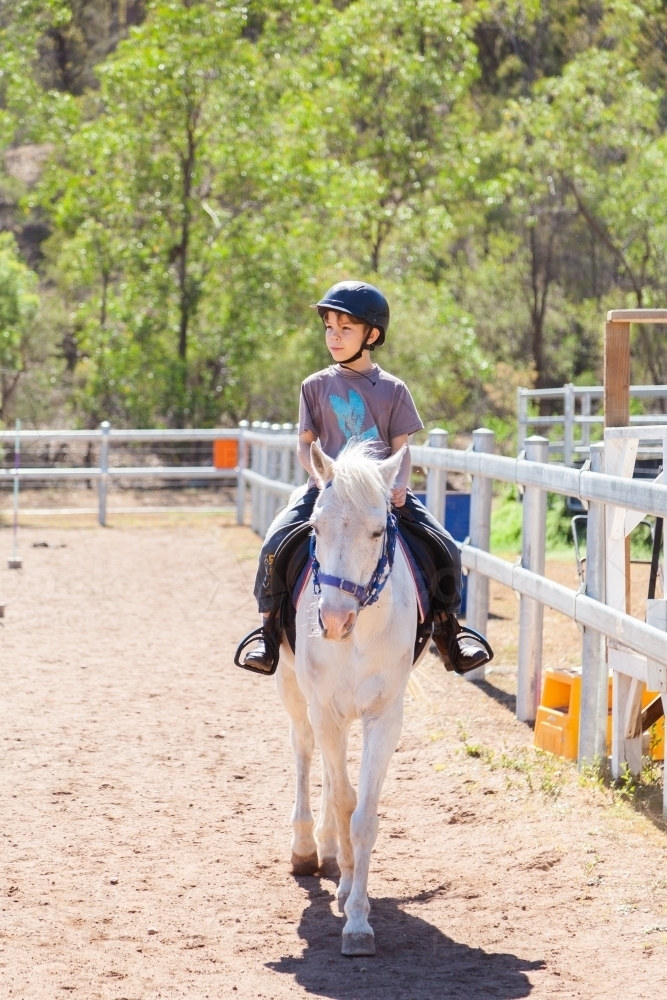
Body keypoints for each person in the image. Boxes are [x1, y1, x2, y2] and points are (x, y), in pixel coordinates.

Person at [239, 280, 489, 675]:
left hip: (381, 493)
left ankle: (448, 631)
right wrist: (323, 479)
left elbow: (402, 448)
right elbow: (305, 445)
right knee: (273, 545)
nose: (334, 337)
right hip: (329, 490)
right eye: (329, 328)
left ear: (371, 335)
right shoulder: (314, 386)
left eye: (345, 329)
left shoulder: (393, 389)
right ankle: (269, 633)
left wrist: (398, 486)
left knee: (446, 549)